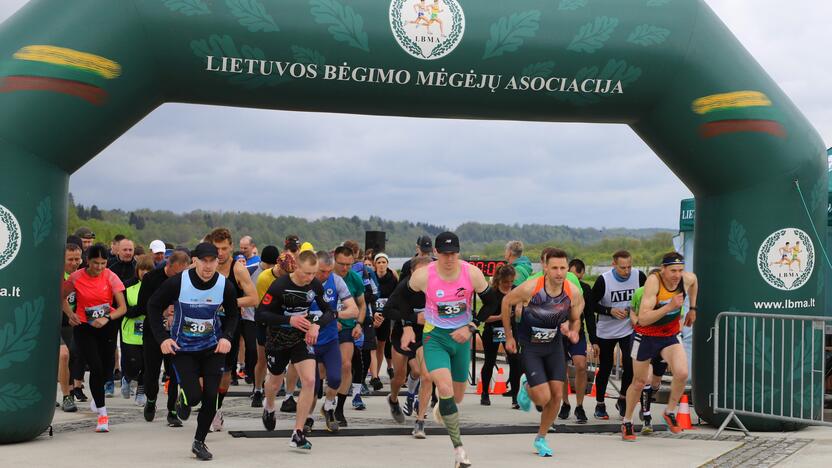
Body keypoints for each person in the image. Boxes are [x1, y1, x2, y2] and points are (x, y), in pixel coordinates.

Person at [401, 231, 493, 468]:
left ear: (458, 253)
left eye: (453, 253)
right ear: (435, 253)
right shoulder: (424, 275)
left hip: (462, 338)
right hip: (435, 337)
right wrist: (408, 324)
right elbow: (399, 300)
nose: (449, 258)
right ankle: (459, 451)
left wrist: (473, 326)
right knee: (443, 385)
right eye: (444, 254)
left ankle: (445, 405)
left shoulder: (471, 273)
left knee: (457, 396)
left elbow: (493, 300)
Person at [147, 242, 240, 460]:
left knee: (210, 395)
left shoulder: (224, 285)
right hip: (184, 349)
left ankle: (199, 442)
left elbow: (234, 315)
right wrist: (163, 338)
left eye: (212, 261)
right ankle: (184, 397)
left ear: (218, 262)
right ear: (194, 261)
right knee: (195, 397)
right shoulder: (179, 282)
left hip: (212, 347)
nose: (208, 267)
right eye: (204, 261)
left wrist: (227, 337)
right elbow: (152, 305)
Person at [502, 248, 584, 458]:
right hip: (531, 346)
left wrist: (573, 331)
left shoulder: (572, 291)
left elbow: (575, 317)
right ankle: (526, 384)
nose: (559, 272)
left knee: (557, 395)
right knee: (542, 398)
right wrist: (509, 336)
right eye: (554, 267)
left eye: (563, 268)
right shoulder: (531, 287)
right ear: (545, 268)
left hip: (554, 345)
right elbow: (506, 302)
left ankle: (541, 437)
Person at [256, 250, 338, 450]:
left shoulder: (314, 284)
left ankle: (298, 432)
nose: (310, 278)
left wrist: (316, 325)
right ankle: (269, 406)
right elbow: (261, 314)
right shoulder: (280, 286)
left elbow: (330, 311)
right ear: (296, 268)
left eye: (314, 274)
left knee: (310, 380)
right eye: (306, 273)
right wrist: (288, 320)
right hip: (278, 339)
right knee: (274, 382)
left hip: (301, 338)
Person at [621, 252, 698, 441]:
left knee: (681, 373)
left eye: (680, 270)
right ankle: (627, 421)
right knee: (639, 382)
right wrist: (669, 307)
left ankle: (670, 411)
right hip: (645, 336)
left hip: (668, 335)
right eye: (672, 271)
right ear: (663, 269)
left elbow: (695, 281)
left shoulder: (685, 279)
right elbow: (643, 319)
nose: (677, 275)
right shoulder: (653, 283)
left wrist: (693, 309)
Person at [62, 244, 127, 432]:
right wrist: (69, 314)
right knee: (96, 367)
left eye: (103, 263)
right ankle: (102, 413)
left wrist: (106, 318)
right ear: (87, 261)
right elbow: (61, 296)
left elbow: (122, 308)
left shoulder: (110, 276)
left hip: (107, 326)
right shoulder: (76, 277)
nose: (99, 267)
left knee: (106, 371)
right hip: (84, 327)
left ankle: (97, 399)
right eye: (95, 263)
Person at [207, 228, 259, 431]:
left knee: (225, 372)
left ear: (231, 247)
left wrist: (228, 303)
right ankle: (205, 405)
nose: (220, 253)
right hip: (206, 325)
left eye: (224, 248)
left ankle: (216, 408)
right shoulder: (203, 266)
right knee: (203, 368)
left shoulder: (237, 268)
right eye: (216, 248)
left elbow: (253, 298)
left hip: (229, 324)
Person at [590, 250, 646, 419]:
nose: (627, 271)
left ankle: (622, 398)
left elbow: (647, 297)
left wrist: (636, 311)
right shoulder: (604, 280)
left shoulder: (639, 276)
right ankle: (600, 404)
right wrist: (609, 310)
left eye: (629, 266)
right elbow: (590, 305)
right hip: (606, 330)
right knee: (606, 367)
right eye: (623, 268)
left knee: (630, 364)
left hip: (628, 328)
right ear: (614, 264)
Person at [307, 250, 358, 433]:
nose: (325, 275)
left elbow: (353, 310)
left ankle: (328, 407)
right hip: (309, 342)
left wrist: (335, 315)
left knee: (336, 378)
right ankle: (308, 416)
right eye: (322, 271)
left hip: (329, 340)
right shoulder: (305, 281)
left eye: (329, 271)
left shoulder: (336, 281)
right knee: (312, 384)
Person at [139, 249, 191, 427]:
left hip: (176, 333)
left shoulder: (188, 281)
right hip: (154, 332)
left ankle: (172, 411)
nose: (179, 277)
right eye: (176, 273)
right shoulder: (151, 278)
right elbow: (142, 305)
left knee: (175, 373)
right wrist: (162, 311)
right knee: (151, 373)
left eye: (183, 273)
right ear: (168, 265)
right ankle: (151, 399)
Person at [385, 255, 434, 437]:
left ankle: (419, 419)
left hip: (424, 336)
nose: (425, 276)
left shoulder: (436, 287)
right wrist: (413, 319)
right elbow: (388, 310)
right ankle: (393, 398)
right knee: (399, 377)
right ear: (413, 272)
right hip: (402, 334)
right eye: (420, 272)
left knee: (424, 374)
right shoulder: (404, 287)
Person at [557, 258, 596, 423]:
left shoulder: (584, 289)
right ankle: (565, 403)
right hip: (558, 333)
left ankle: (579, 406)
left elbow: (589, 316)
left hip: (577, 332)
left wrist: (594, 341)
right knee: (562, 369)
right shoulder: (553, 288)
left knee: (581, 366)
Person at [332, 245, 366, 427]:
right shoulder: (325, 275)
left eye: (348, 264)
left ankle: (339, 408)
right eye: (341, 264)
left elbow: (362, 304)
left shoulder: (354, 279)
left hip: (347, 327)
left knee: (346, 365)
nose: (345, 268)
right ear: (333, 260)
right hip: (326, 326)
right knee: (322, 370)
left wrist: (359, 324)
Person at [478, 264, 516, 407]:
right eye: (506, 282)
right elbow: (484, 317)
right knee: (489, 361)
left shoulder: (516, 291)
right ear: (499, 280)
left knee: (514, 360)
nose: (508, 285)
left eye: (511, 282)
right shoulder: (492, 293)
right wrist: (501, 316)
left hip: (510, 332)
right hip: (493, 329)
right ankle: (485, 393)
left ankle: (515, 393)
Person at [247, 244, 280, 407]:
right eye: (267, 265)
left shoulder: (283, 273)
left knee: (277, 358)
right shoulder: (254, 272)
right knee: (261, 358)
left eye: (273, 265)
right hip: (258, 318)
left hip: (277, 320)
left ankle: (275, 388)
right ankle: (257, 389)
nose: (270, 268)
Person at [120, 255, 155, 406]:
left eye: (148, 269)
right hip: (130, 331)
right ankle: (127, 377)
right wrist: (139, 310)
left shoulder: (156, 285)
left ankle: (141, 390)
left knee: (147, 363)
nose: (145, 273)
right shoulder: (127, 285)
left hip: (148, 330)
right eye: (142, 269)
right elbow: (123, 308)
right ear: (137, 270)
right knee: (133, 364)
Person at [58, 243, 83, 412]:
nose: (74, 263)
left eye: (77, 259)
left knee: (73, 357)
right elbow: (62, 298)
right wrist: (71, 314)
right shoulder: (58, 274)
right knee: (63, 355)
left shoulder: (82, 275)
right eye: (70, 259)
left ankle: (71, 392)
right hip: (53, 322)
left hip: (71, 324)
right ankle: (66, 397)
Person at [373, 252, 399, 383]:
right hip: (372, 314)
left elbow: (395, 298)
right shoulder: (371, 278)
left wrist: (386, 314)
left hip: (385, 316)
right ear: (375, 264)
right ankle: (374, 376)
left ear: (387, 264)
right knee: (372, 345)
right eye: (379, 262)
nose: (381, 265)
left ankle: (378, 373)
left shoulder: (392, 278)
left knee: (381, 345)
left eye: (384, 262)